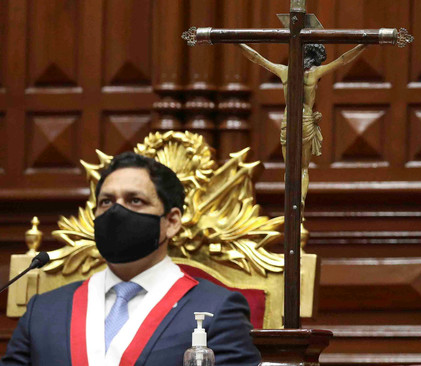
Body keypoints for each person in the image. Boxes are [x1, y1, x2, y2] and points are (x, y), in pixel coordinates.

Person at [2, 152, 261, 366]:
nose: (117, 211)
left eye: (135, 201)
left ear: (171, 222)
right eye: (106, 202)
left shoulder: (218, 309)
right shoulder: (43, 311)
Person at [238, 43, 366, 203]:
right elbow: (342, 60)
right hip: (305, 119)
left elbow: (256, 58)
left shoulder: (284, 71)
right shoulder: (314, 73)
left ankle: (290, 202)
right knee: (303, 168)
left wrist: (237, 43)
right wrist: (363, 45)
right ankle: (301, 202)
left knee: (290, 168)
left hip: (288, 118)